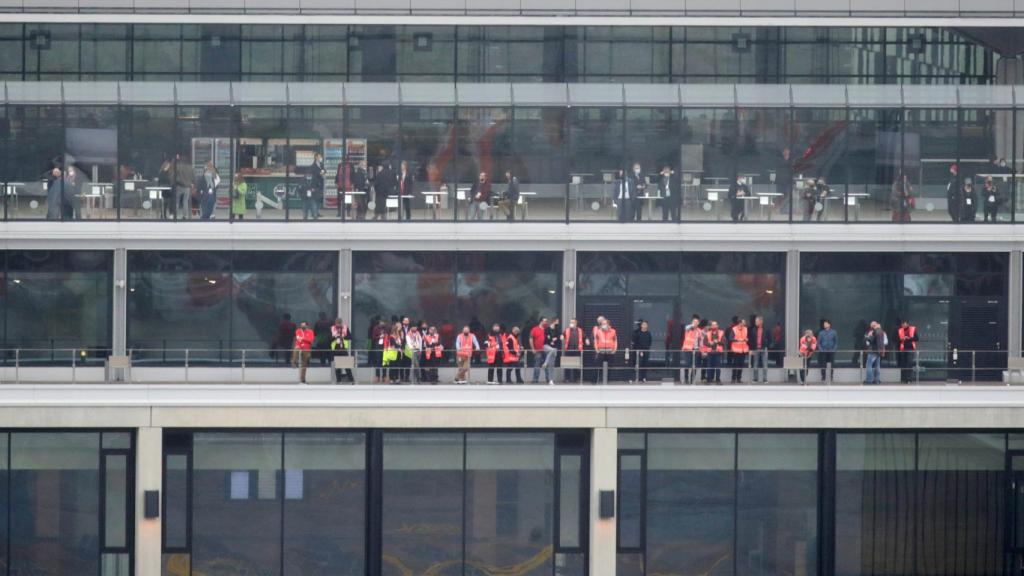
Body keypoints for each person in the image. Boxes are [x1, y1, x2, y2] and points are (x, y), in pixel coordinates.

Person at [593, 318, 617, 384]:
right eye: (602, 324)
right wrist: (596, 349)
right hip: (601, 351)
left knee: (609, 367)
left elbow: (615, 341)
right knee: (597, 366)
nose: (603, 325)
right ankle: (596, 381)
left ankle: (607, 381)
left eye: (605, 324)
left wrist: (614, 350)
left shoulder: (613, 331)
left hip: (610, 352)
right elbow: (595, 341)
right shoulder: (598, 331)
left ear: (608, 324)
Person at [681, 315, 703, 384]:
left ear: (698, 323)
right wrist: (692, 325)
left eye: (696, 322)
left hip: (696, 349)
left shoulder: (699, 331)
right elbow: (686, 327)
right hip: (688, 349)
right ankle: (686, 379)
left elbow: (701, 341)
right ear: (692, 322)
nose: (695, 323)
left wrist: (702, 350)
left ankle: (692, 379)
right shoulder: (688, 328)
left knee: (695, 365)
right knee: (687, 364)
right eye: (694, 322)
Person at [562, 318, 586, 384]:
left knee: (576, 365)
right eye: (570, 322)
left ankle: (576, 379)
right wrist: (561, 336)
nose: (571, 324)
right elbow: (563, 335)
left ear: (576, 323)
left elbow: (584, 337)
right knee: (567, 365)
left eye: (572, 322)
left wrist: (587, 340)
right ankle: (567, 378)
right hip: (568, 349)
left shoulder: (580, 330)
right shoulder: (567, 330)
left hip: (577, 350)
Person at [303, 153, 325, 220]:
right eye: (319, 157)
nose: (320, 158)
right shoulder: (313, 166)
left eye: (321, 156)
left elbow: (324, 170)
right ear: (316, 157)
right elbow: (313, 174)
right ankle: (313, 212)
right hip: (315, 184)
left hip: (320, 183)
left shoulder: (321, 165)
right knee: (314, 198)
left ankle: (317, 212)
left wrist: (322, 172)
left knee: (319, 198)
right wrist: (320, 173)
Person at [331, 318, 353, 383]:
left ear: (341, 323)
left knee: (347, 366)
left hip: (343, 349)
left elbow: (350, 337)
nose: (338, 325)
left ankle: (351, 380)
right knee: (337, 366)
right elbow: (329, 338)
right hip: (335, 349)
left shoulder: (345, 328)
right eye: (337, 323)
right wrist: (335, 337)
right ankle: (338, 380)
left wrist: (343, 337)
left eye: (339, 323)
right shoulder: (332, 328)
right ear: (335, 323)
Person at [750, 316, 771, 384]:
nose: (755, 322)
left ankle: (765, 379)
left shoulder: (766, 329)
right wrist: (752, 349)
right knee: (755, 364)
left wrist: (767, 346)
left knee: (765, 364)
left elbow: (770, 339)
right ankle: (755, 379)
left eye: (757, 321)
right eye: (755, 321)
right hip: (756, 348)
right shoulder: (753, 329)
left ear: (761, 321)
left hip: (764, 348)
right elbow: (751, 340)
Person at [897, 319, 919, 384]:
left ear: (907, 324)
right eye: (902, 324)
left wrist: (909, 338)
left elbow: (917, 338)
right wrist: (902, 339)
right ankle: (904, 378)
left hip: (910, 349)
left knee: (909, 364)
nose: (903, 325)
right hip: (903, 349)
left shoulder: (913, 329)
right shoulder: (900, 330)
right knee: (904, 364)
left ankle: (909, 379)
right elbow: (896, 339)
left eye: (904, 324)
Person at [728, 317, 749, 384]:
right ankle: (733, 379)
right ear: (740, 323)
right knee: (735, 365)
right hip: (736, 350)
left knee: (741, 365)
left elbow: (745, 337)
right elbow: (730, 338)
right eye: (743, 322)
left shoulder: (745, 329)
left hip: (743, 350)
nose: (744, 324)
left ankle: (739, 379)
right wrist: (738, 340)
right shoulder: (734, 329)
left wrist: (746, 339)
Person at [173, 153, 194, 220]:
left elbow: (175, 176)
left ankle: (175, 215)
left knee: (177, 201)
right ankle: (185, 216)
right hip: (187, 187)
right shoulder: (190, 168)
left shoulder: (178, 167)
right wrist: (192, 183)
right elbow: (193, 177)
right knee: (185, 202)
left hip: (179, 186)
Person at [863, 321, 885, 385]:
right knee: (877, 366)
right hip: (879, 351)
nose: (872, 327)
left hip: (873, 351)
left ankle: (869, 380)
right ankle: (877, 380)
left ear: (874, 326)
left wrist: (868, 336)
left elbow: (871, 340)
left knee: (869, 365)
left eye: (872, 326)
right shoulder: (881, 331)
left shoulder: (874, 331)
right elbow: (882, 342)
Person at [817, 319, 838, 383]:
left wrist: (834, 349)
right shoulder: (821, 333)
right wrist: (821, 350)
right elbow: (818, 343)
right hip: (823, 351)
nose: (824, 325)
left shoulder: (834, 332)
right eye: (824, 324)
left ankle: (831, 377)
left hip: (831, 351)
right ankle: (823, 378)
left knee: (832, 364)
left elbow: (836, 342)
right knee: (823, 365)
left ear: (829, 324)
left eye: (826, 324)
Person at [529, 318, 549, 384]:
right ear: (541, 321)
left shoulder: (547, 329)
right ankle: (535, 380)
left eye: (546, 321)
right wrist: (533, 349)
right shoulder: (534, 329)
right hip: (538, 350)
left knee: (547, 365)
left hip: (546, 350)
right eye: (545, 321)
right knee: (537, 364)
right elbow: (531, 339)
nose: (546, 322)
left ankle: (548, 380)